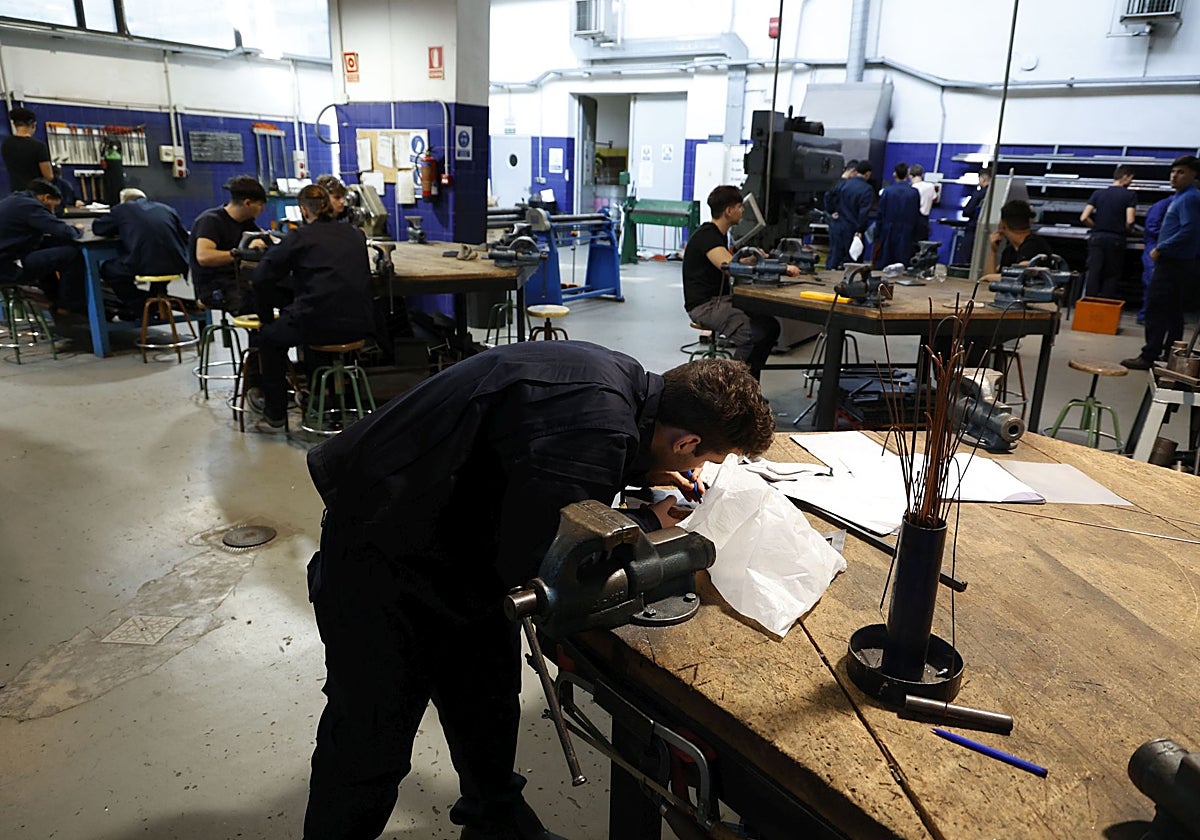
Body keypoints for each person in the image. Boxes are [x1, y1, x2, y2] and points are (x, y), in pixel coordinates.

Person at [301, 343, 775, 840]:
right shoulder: (598, 427)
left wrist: (642, 468)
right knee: (370, 740)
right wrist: (647, 523)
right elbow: (539, 560)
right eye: (709, 457)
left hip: (454, 533)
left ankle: (497, 826)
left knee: (488, 702)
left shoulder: (625, 382)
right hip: (385, 548)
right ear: (687, 442)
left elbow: (538, 468)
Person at [250, 184, 376, 430]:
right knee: (311, 319)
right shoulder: (355, 234)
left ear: (303, 210)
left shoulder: (299, 237)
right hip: (361, 325)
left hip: (317, 325)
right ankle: (319, 398)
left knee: (269, 338)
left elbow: (260, 278)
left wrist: (266, 319)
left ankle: (275, 412)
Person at [682, 185, 800, 380]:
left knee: (770, 327)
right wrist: (782, 268)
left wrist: (753, 258)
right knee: (751, 335)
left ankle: (751, 383)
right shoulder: (708, 236)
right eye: (739, 206)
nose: (742, 210)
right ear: (729, 211)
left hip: (721, 300)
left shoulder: (719, 235)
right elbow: (729, 266)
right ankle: (732, 386)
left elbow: (731, 261)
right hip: (705, 306)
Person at [1122, 155, 1200, 371]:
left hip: (1173, 261)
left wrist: (1161, 247)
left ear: (1194, 175)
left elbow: (1189, 229)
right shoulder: (1183, 196)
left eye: (1181, 172)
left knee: (1156, 308)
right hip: (1180, 261)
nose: (1174, 176)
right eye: (1173, 171)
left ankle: (1149, 355)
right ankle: (1170, 354)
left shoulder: (1188, 198)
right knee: (1173, 311)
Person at [91, 188, 190, 321]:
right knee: (157, 263)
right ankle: (155, 298)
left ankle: (137, 307)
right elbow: (184, 236)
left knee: (109, 269)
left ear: (124, 201)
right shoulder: (166, 209)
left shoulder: (122, 209)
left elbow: (99, 228)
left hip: (144, 264)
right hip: (177, 264)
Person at [0, 178, 85, 311]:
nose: (53, 211)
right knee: (72, 255)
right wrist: (77, 229)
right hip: (8, 267)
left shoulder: (14, 200)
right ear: (46, 197)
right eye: (54, 206)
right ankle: (70, 307)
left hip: (6, 259)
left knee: (48, 249)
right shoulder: (30, 206)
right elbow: (65, 232)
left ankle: (55, 300)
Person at [188, 175, 267, 313]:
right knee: (254, 302)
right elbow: (204, 257)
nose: (262, 210)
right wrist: (240, 253)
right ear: (247, 203)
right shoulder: (210, 221)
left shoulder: (246, 222)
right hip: (213, 286)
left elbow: (264, 237)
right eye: (260, 205)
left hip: (239, 279)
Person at [1080, 165, 1137, 299]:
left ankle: (1089, 305)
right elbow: (1130, 221)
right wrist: (1128, 231)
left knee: (1094, 273)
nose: (1131, 182)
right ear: (1125, 177)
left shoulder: (1098, 193)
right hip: (1116, 239)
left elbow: (1083, 217)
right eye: (1131, 179)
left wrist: (1097, 226)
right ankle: (1105, 306)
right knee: (1111, 275)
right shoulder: (1130, 195)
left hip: (1097, 238)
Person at [824, 160, 874, 270]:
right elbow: (863, 213)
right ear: (868, 173)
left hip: (838, 225)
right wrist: (860, 230)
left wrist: (831, 211)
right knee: (852, 261)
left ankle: (829, 274)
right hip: (853, 228)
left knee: (834, 256)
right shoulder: (867, 189)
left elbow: (828, 195)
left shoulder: (843, 184)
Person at [983, 199, 1054, 275]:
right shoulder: (1009, 250)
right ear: (1030, 221)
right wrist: (993, 251)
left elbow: (1018, 277)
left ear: (1002, 224)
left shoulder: (1033, 245)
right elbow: (990, 278)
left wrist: (988, 277)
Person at [874, 162, 921, 268]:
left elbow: (880, 214)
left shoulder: (887, 191)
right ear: (907, 174)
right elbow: (916, 215)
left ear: (894, 174)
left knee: (886, 264)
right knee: (902, 265)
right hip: (907, 233)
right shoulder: (914, 193)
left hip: (888, 231)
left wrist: (877, 234)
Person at [1137, 195, 1171, 324]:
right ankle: (1145, 315)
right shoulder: (1162, 205)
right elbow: (1152, 227)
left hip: (1166, 245)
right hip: (1156, 245)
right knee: (1152, 281)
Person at [2, 107, 52, 193]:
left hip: (16, 193)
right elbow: (48, 176)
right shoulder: (38, 146)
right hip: (36, 193)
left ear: (15, 125)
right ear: (33, 125)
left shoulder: (6, 144)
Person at [959, 169, 991, 262]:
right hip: (989, 232)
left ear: (983, 179)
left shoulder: (979, 194)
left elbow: (967, 211)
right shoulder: (995, 193)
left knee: (966, 258)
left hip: (973, 229)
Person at [908, 163, 938, 242]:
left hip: (912, 221)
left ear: (910, 176)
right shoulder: (930, 186)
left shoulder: (911, 189)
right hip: (925, 221)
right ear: (923, 175)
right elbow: (935, 198)